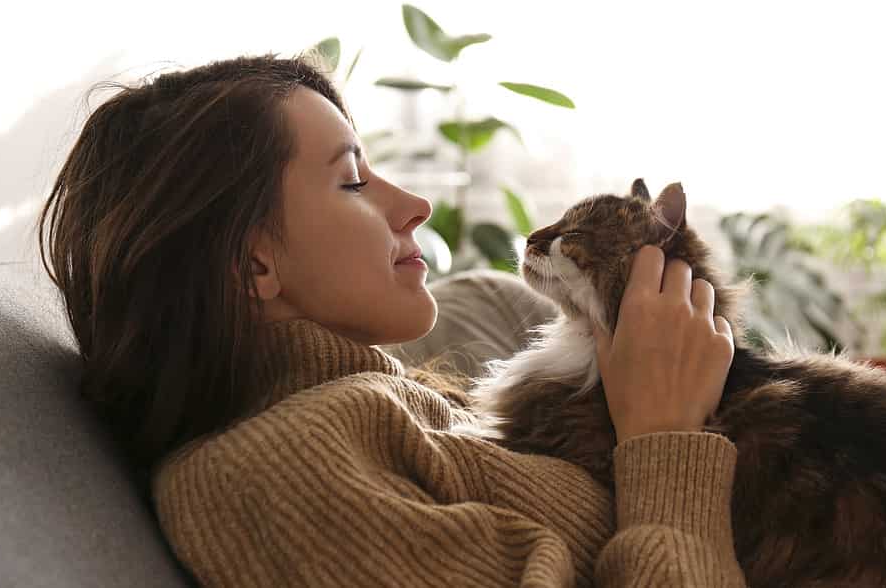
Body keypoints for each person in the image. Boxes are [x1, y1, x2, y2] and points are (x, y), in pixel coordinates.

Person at [38, 52, 748, 586]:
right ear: (253, 267)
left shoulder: (395, 408)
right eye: (352, 180)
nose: (414, 203)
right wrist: (666, 441)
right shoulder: (276, 471)